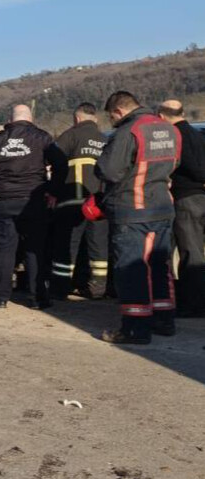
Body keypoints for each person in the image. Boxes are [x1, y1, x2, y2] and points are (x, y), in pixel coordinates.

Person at [94, 92, 181, 344]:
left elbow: (109, 170)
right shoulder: (169, 129)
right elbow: (174, 164)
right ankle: (164, 320)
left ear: (118, 111)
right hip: (163, 207)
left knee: (131, 269)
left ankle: (135, 328)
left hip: (132, 209)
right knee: (159, 265)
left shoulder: (128, 131)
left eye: (111, 117)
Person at [0, 104, 68, 309]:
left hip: (3, 202)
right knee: (34, 250)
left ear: (11, 120)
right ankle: (37, 298)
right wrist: (53, 190)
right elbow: (61, 164)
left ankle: (1, 298)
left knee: (6, 250)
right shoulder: (42, 138)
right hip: (33, 202)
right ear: (30, 119)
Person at [50, 103, 109, 299]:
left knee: (67, 245)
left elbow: (54, 159)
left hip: (72, 201)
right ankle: (98, 288)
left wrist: (52, 190)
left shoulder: (71, 135)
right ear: (96, 119)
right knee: (98, 247)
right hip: (98, 204)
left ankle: (60, 288)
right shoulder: (105, 140)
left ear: (77, 119)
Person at [157, 99, 205, 318]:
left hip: (186, 198)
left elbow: (194, 167)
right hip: (199, 198)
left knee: (190, 251)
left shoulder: (177, 137)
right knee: (193, 250)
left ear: (162, 116)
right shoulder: (197, 133)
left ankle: (193, 304)